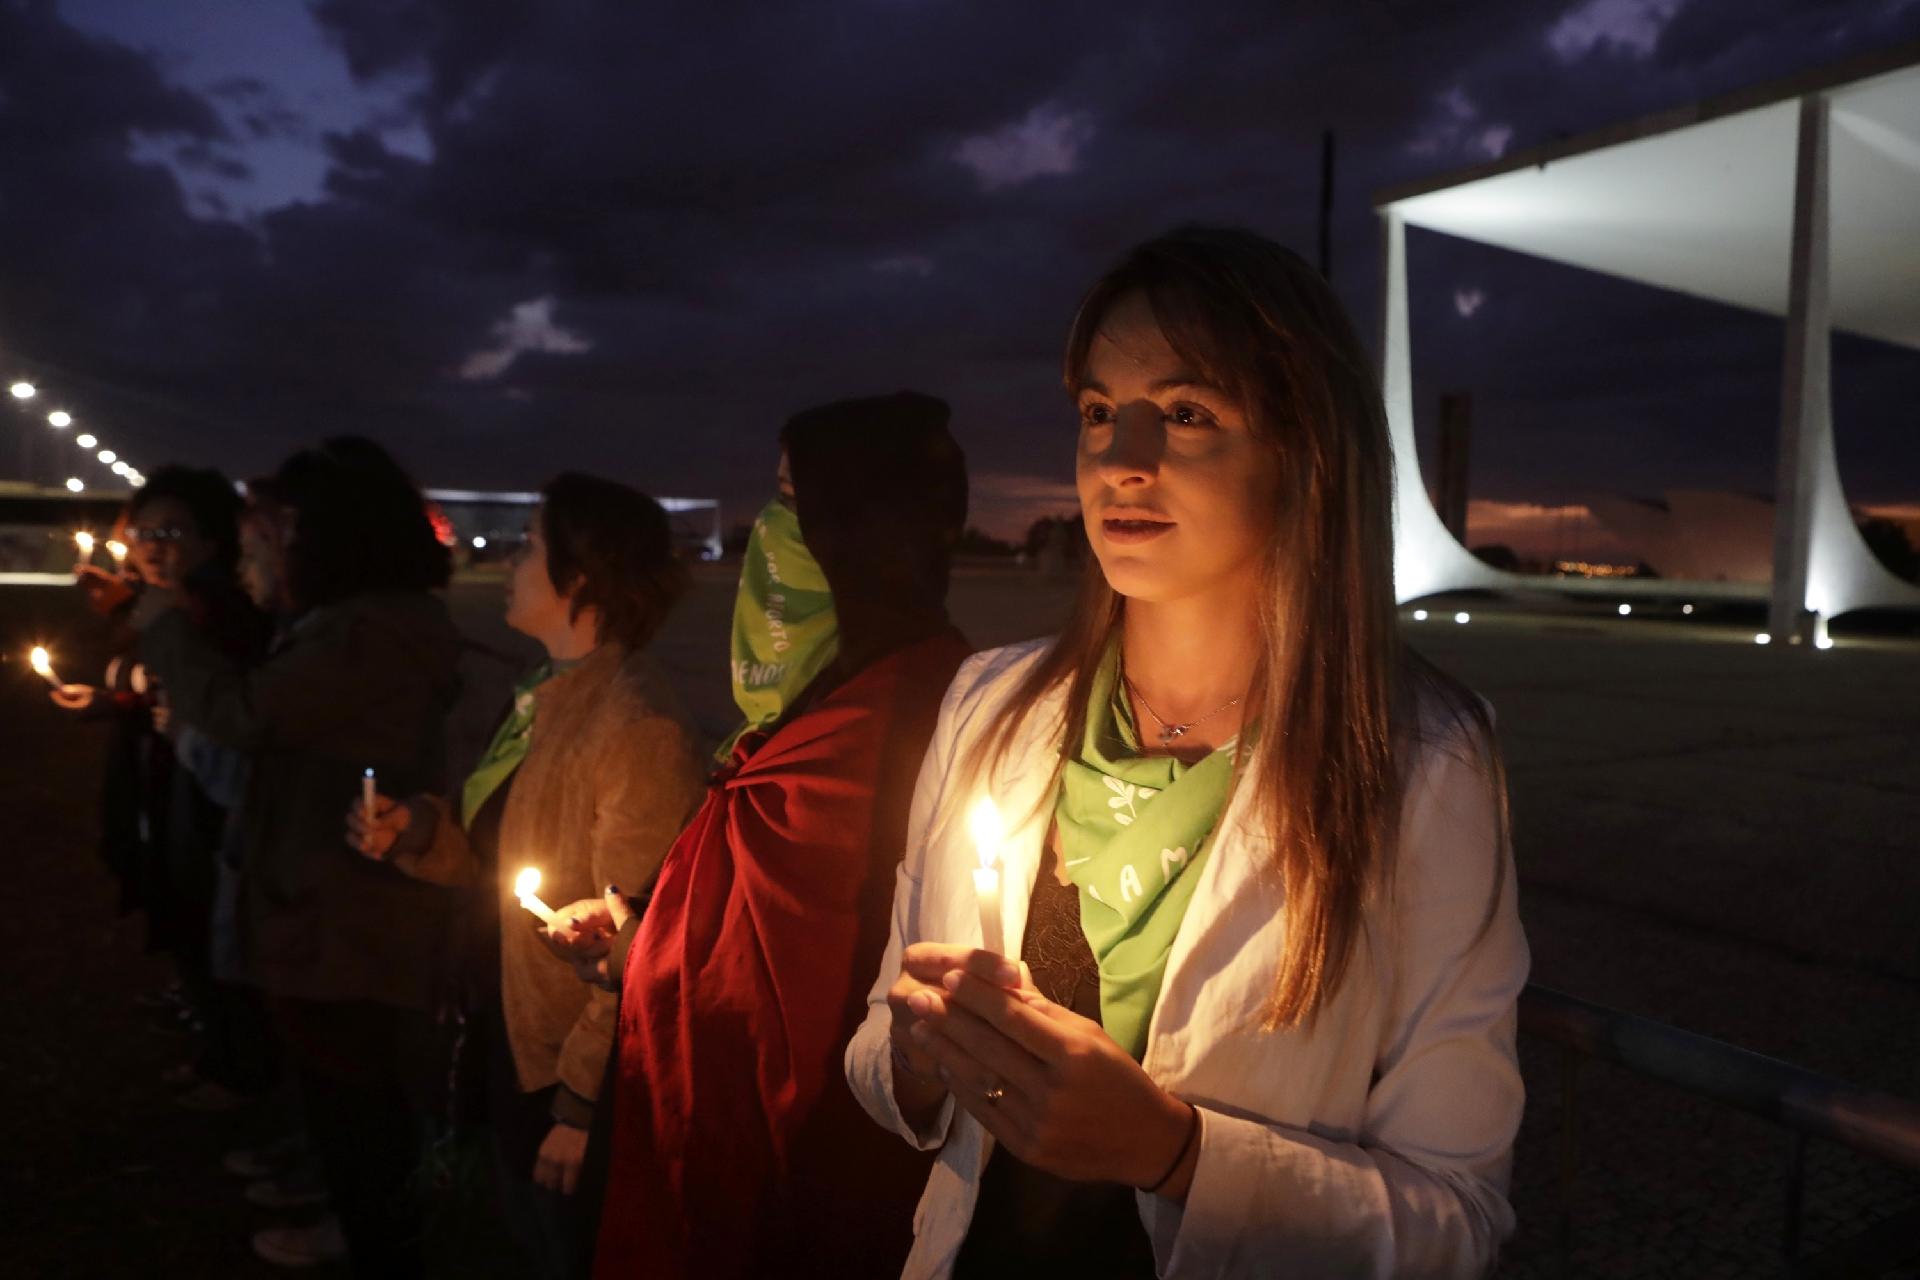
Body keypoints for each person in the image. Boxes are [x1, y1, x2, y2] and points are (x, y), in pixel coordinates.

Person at [844, 228, 1530, 1278]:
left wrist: (1173, 1151)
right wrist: (923, 1058)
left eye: (1188, 413)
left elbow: (1455, 1215)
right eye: (1098, 412)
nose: (1122, 458)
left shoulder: (1418, 763)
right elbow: (878, 1049)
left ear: (1306, 455)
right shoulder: (988, 706)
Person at [580, 393, 973, 1280]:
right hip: (715, 1154)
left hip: (795, 1191)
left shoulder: (915, 724)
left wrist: (643, 955)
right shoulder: (830, 698)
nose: (768, 528)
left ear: (856, 522)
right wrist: (647, 930)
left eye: (794, 500)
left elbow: (804, 1002)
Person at [347, 474, 706, 1280]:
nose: (511, 560)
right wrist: (418, 832)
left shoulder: (636, 724)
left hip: (557, 1065)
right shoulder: (545, 696)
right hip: (505, 1021)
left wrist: (580, 1105)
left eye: (531, 544)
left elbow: (635, 942)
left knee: (564, 1249)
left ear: (579, 576)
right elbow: (497, 859)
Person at [134, 438, 461, 1276]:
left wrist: (165, 626)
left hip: (351, 908)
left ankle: (377, 1240)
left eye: (262, 544)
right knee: (339, 1091)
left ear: (323, 538)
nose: (252, 562)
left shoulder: (373, 631)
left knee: (358, 1099)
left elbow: (248, 715)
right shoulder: (354, 623)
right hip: (326, 900)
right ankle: (355, 1218)